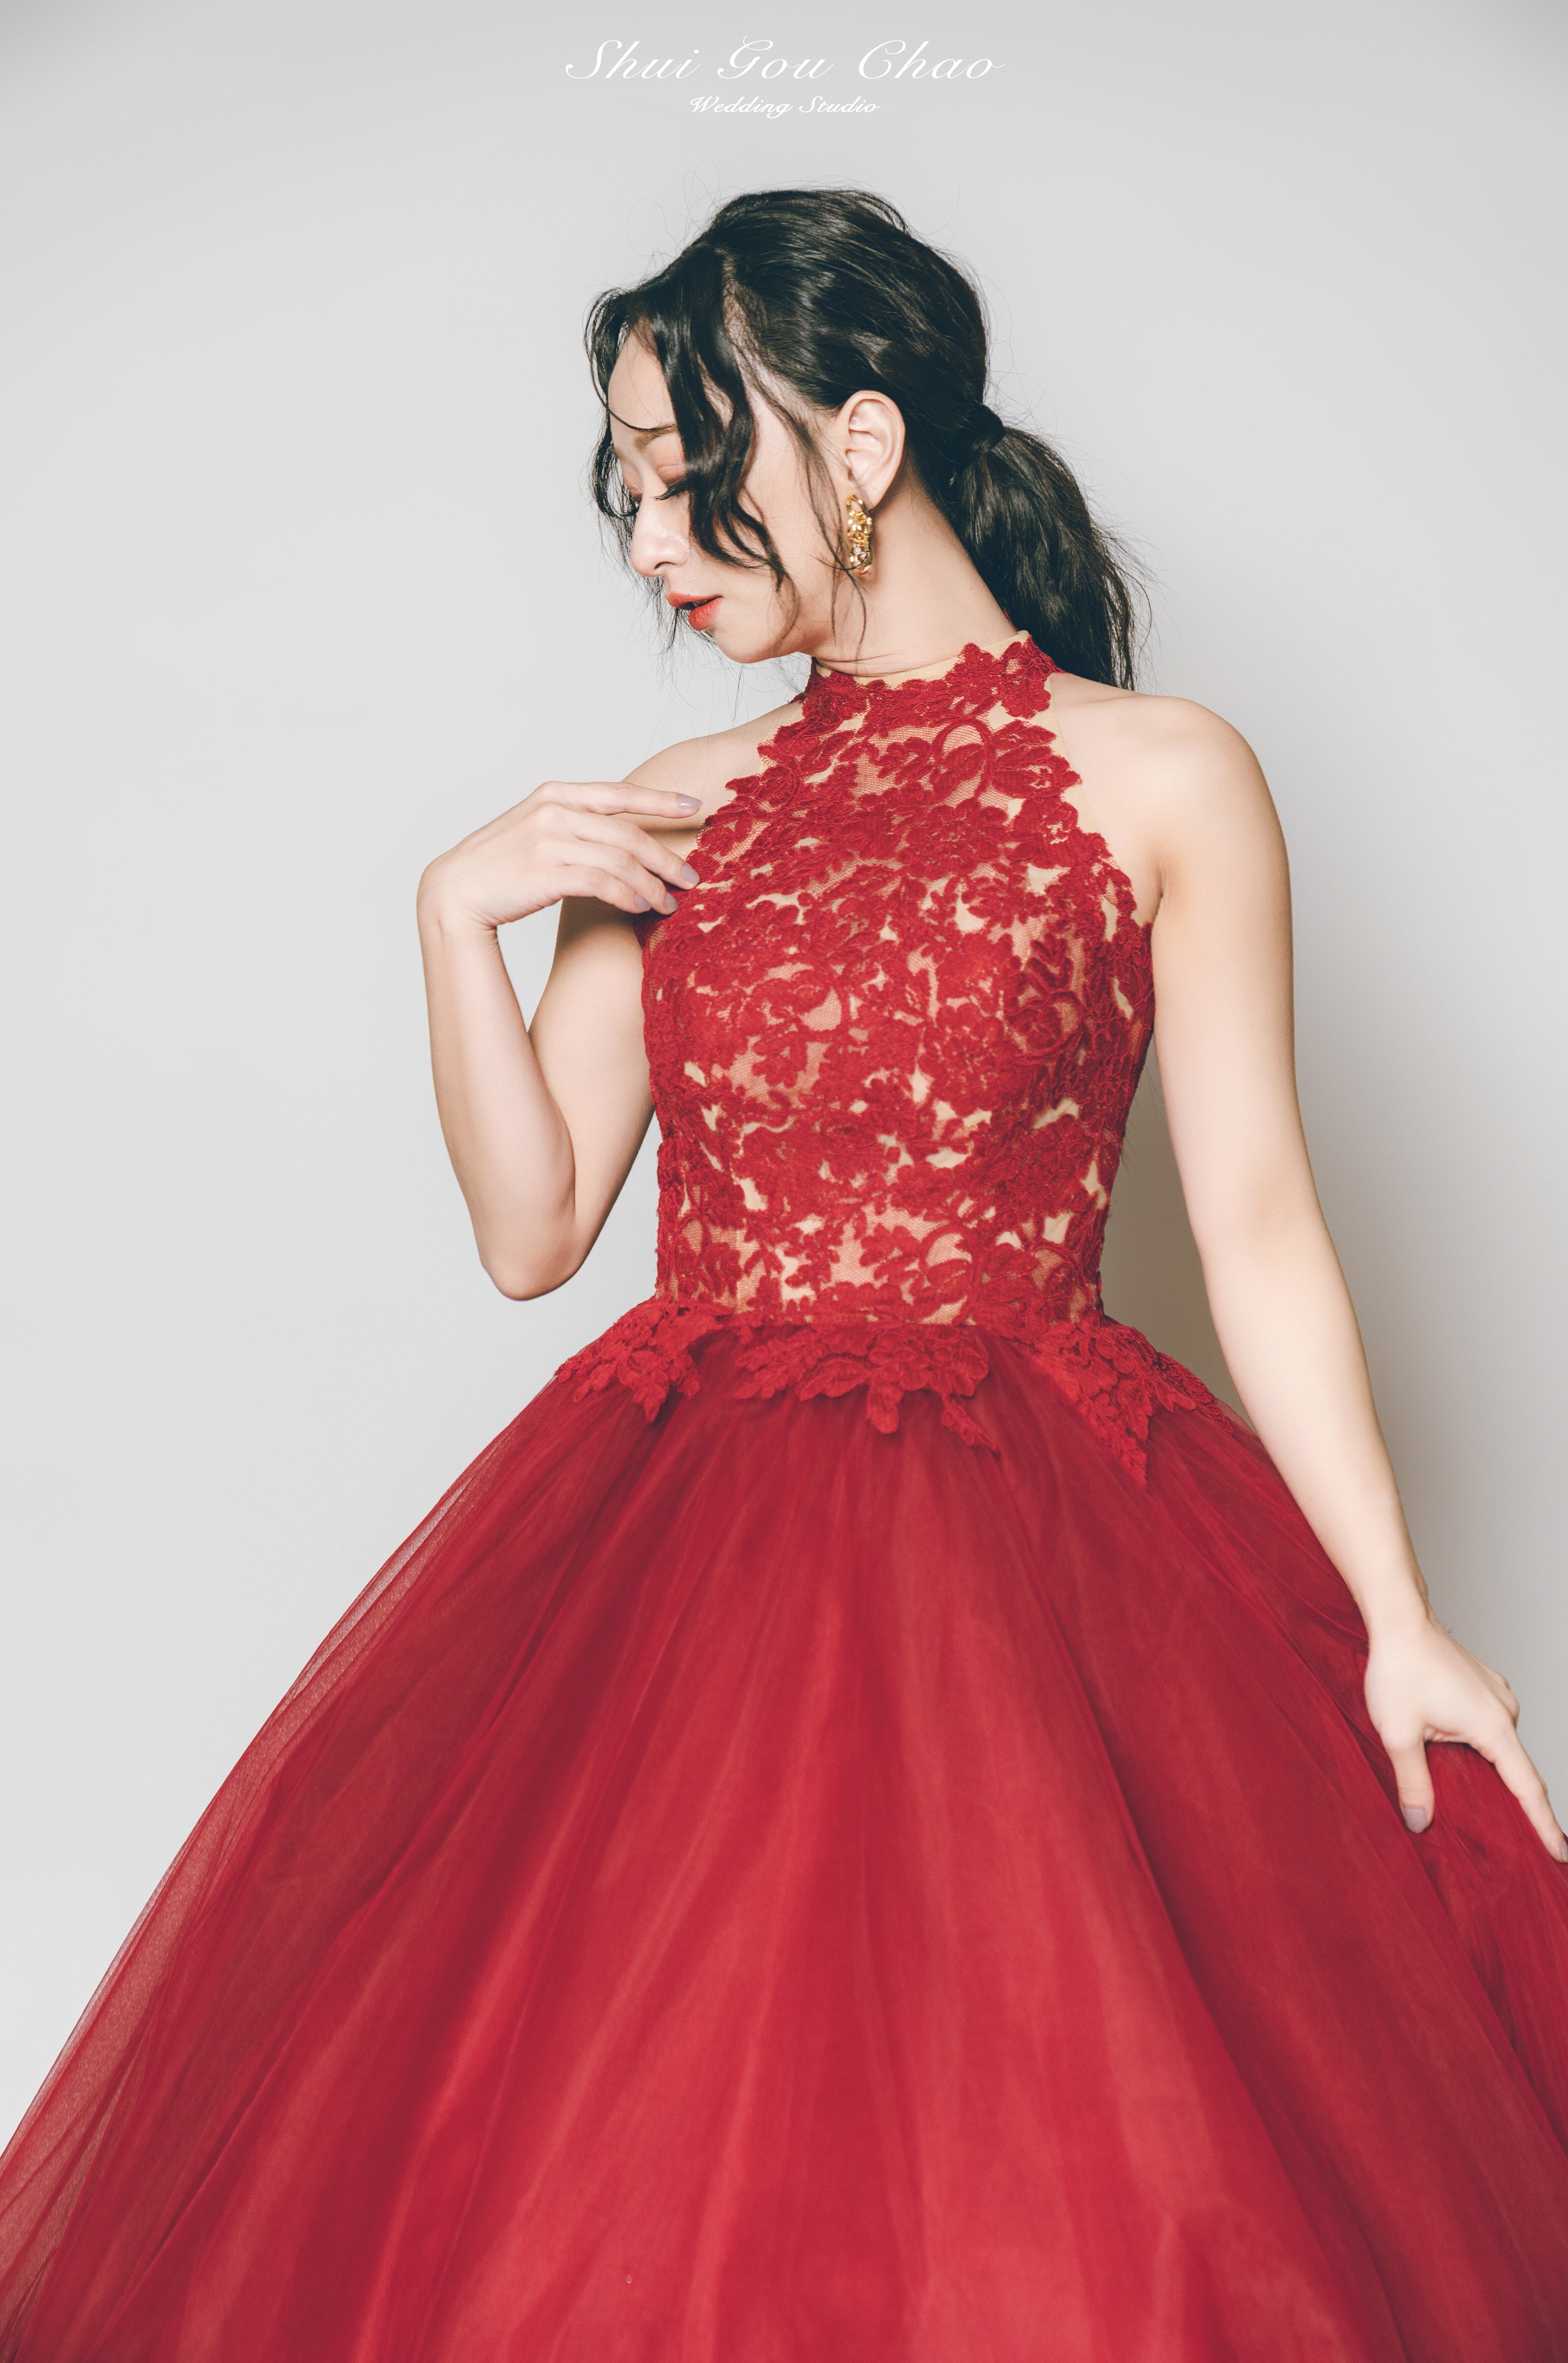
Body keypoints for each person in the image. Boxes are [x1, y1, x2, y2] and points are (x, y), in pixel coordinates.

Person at [1, 183, 1565, 2362]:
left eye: (684, 475)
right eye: (629, 493)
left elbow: (1261, 1224)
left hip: (1050, 1561)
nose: (651, 544)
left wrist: (1398, 1618)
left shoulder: (1166, 778)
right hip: (676, 1563)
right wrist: (451, 914)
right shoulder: (680, 806)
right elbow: (537, 1228)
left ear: (861, 443)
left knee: (1063, 2155)